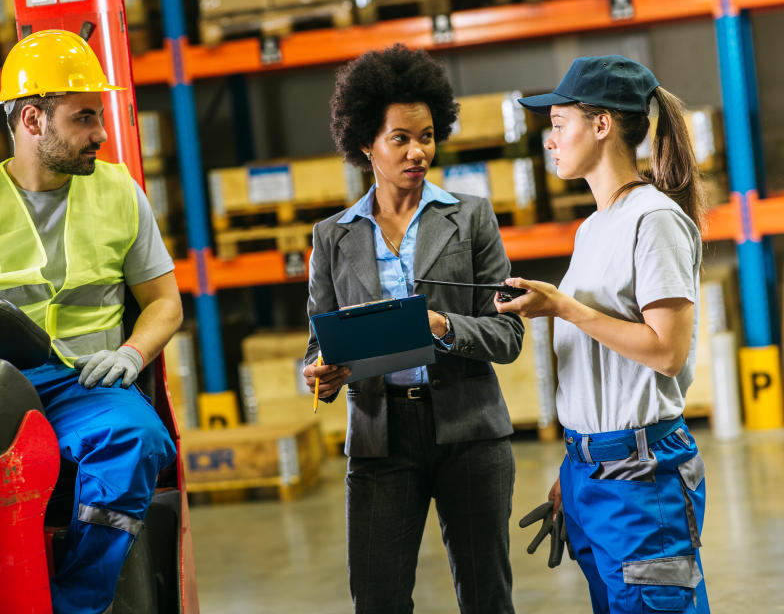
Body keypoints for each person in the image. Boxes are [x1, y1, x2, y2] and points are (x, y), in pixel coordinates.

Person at [0, 29, 180, 614]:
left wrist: (131, 355)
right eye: (84, 118)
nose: (101, 133)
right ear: (32, 119)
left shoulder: (120, 192)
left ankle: (76, 603)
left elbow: (164, 301)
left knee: (142, 438)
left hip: (87, 385)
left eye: (98, 116)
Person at [302, 44, 524, 614]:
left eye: (426, 136)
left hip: (470, 431)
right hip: (380, 437)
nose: (418, 151)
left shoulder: (471, 218)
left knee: (487, 597)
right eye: (400, 138)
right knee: (377, 600)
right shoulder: (332, 237)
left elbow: (508, 337)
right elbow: (319, 343)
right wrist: (319, 374)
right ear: (364, 144)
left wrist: (443, 326)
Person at [497, 55, 709, 613]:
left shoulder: (653, 219)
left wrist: (565, 308)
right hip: (592, 473)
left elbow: (666, 350)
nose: (550, 139)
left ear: (601, 125)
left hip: (642, 479)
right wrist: (574, 469)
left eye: (559, 122)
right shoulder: (592, 228)